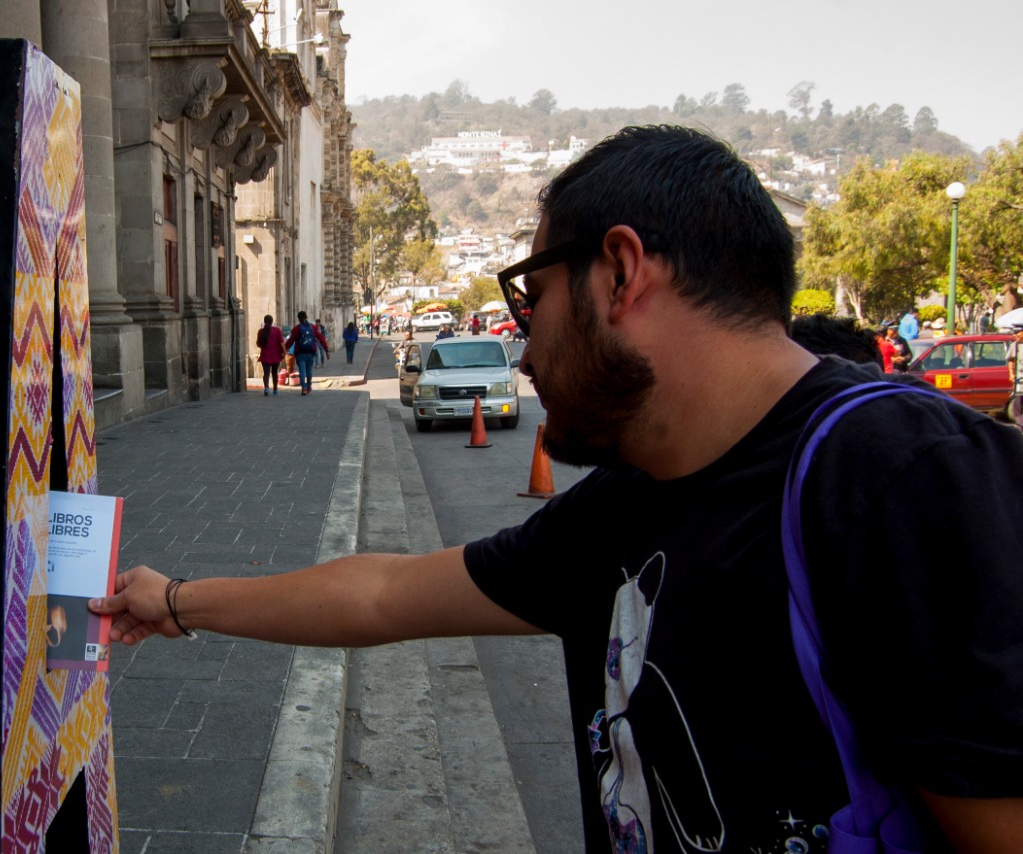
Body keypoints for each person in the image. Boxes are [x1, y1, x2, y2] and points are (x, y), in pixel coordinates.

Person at [90, 126, 1023, 850]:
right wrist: (174, 601)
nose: (524, 346)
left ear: (620, 272)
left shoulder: (906, 479)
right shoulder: (631, 499)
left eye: (533, 297)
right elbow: (382, 593)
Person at [284, 311, 328, 396]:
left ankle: (304, 388)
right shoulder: (313, 328)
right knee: (309, 370)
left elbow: (290, 341)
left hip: (300, 353)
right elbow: (321, 338)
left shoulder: (296, 329)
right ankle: (308, 386)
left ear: (299, 318)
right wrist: (326, 350)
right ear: (306, 317)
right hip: (310, 352)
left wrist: (283, 349)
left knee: (302, 371)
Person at [256, 315, 285, 396]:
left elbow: (258, 344)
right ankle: (275, 389)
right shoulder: (277, 330)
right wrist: (284, 352)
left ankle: (266, 388)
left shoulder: (261, 331)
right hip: (276, 355)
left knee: (266, 373)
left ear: (264, 322)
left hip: (265, 355)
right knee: (275, 373)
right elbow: (281, 343)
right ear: (272, 322)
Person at [1008, 323, 1023, 430]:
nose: (1015, 336)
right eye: (1014, 334)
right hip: (1020, 379)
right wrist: (1011, 374)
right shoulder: (1014, 345)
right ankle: (1020, 425)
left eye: (1017, 333)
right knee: (1018, 403)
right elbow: (1010, 361)